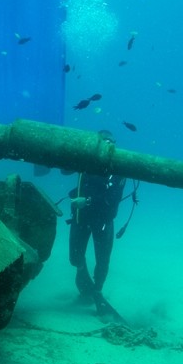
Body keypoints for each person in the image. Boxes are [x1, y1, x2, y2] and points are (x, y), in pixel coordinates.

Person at [67, 130, 127, 315]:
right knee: (74, 256)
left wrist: (88, 201)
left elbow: (113, 197)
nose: (108, 146)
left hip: (103, 219)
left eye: (111, 142)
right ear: (96, 143)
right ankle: (83, 277)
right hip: (81, 217)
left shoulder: (117, 168)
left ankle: (98, 290)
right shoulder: (86, 162)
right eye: (104, 142)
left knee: (102, 259)